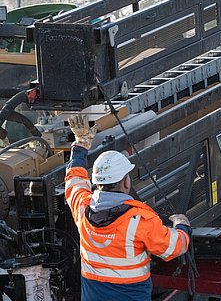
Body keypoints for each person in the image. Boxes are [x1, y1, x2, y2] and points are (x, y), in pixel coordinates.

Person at [65, 114, 191, 301]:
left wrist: (81, 145)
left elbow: (74, 181)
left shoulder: (83, 209)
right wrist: (182, 227)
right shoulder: (139, 219)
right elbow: (172, 248)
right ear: (125, 182)